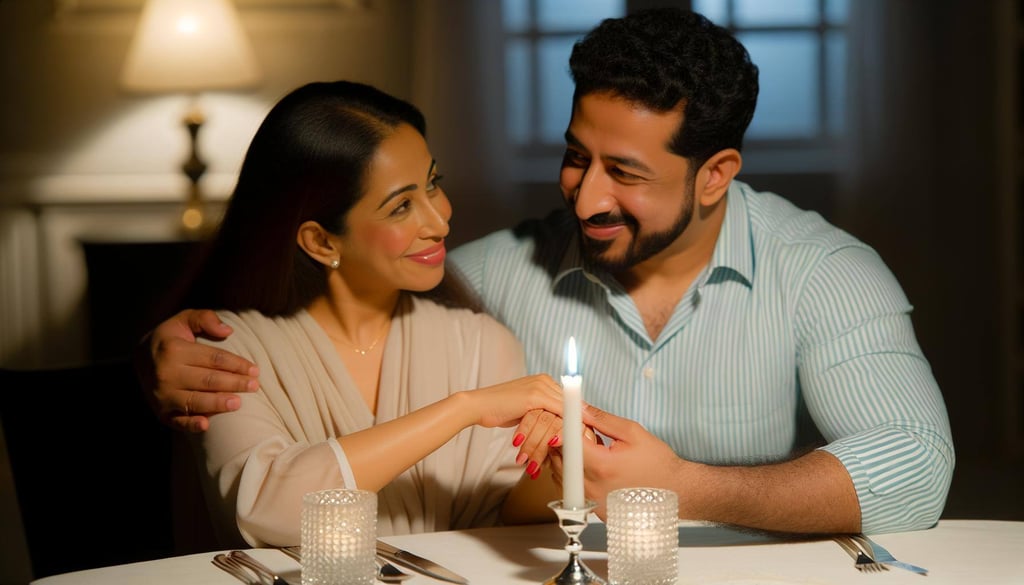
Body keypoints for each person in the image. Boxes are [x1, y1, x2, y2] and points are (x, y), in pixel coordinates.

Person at [138, 9, 954, 536]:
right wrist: (162, 350)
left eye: (625, 173)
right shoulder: (483, 282)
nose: (585, 195)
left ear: (716, 174)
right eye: (575, 156)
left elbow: (916, 468)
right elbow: (351, 287)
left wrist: (683, 485)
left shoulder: (824, 272)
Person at [152, 80, 570, 548]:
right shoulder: (226, 353)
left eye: (433, 183)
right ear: (321, 241)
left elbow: (498, 519)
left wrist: (560, 470)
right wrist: (464, 409)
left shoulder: (480, 341)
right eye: (402, 206)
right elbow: (269, 513)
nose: (440, 221)